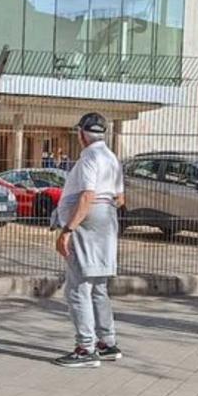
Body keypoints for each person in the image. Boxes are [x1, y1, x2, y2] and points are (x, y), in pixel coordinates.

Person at [52, 113, 124, 368]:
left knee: (78, 286)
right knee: (99, 285)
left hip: (87, 220)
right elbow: (120, 198)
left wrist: (69, 229)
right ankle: (106, 342)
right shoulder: (112, 157)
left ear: (82, 134)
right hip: (107, 219)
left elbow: (87, 196)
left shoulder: (89, 158)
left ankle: (86, 347)